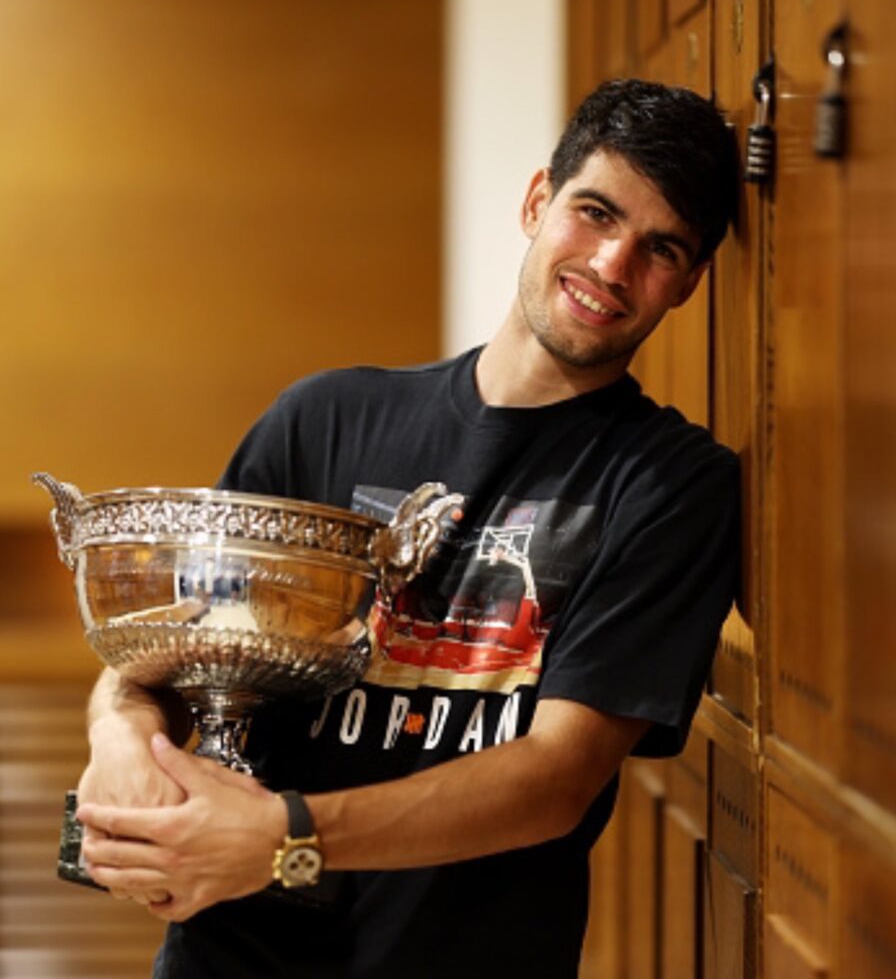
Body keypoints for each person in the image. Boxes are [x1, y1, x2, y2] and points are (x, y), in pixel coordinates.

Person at [75, 78, 741, 978]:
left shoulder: (673, 485)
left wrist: (284, 836)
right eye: (595, 213)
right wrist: (120, 743)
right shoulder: (323, 419)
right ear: (538, 201)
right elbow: (163, 655)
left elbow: (555, 780)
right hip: (229, 954)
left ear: (690, 282)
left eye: (660, 248)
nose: (612, 266)